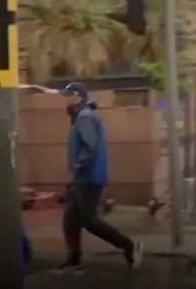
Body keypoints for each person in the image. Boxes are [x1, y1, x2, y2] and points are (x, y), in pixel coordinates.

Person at [59, 82, 143, 272]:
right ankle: (73, 259)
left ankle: (129, 246)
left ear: (78, 96)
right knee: (71, 219)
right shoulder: (82, 116)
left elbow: (91, 147)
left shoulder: (84, 117)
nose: (65, 100)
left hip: (89, 177)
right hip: (83, 176)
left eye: (68, 96)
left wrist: (77, 166)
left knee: (88, 220)